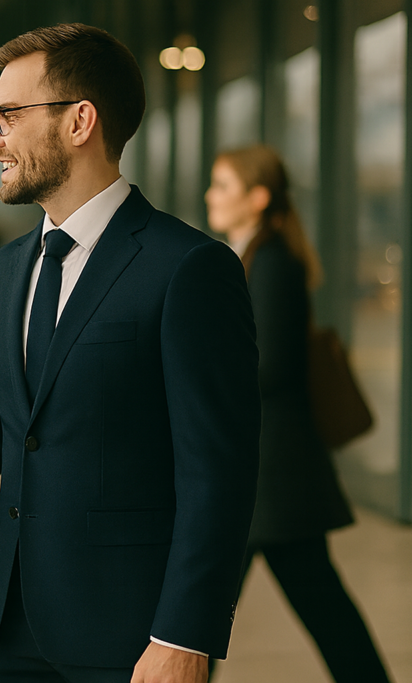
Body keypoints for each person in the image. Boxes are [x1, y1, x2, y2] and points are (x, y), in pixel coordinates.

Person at [0, 23, 261, 683]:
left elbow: (217, 472)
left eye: (6, 115)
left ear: (80, 120)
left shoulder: (189, 268)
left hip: (136, 635)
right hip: (15, 624)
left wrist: (185, 633)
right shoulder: (3, 270)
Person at [204, 145, 392, 683]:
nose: (210, 196)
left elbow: (270, 367)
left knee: (199, 614)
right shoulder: (251, 256)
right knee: (313, 607)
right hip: (268, 476)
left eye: (222, 186)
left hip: (272, 477)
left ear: (258, 198)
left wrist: (199, 369)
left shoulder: (273, 264)